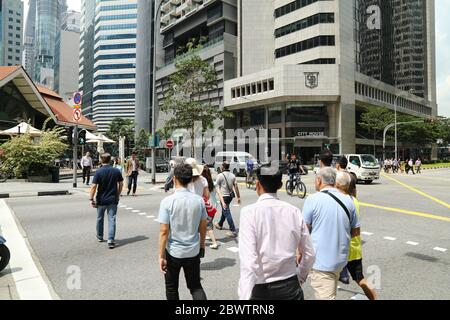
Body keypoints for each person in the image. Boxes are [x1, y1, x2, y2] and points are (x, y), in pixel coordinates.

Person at [238, 165, 315, 300]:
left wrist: (244, 296)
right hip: (290, 284)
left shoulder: (249, 213)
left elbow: (248, 262)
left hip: (262, 287)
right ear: (280, 185)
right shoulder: (294, 211)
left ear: (258, 184)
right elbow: (309, 253)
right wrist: (300, 278)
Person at [302, 167, 360, 300]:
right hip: (340, 260)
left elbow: (303, 231)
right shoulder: (349, 201)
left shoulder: (313, 199)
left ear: (318, 180)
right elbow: (356, 231)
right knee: (330, 292)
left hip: (321, 262)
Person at [158, 164, 208, 300]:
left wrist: (161, 255)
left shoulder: (167, 202)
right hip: (193, 250)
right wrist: (202, 245)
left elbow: (164, 231)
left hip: (173, 252)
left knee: (172, 287)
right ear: (191, 180)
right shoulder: (199, 201)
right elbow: (203, 226)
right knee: (196, 286)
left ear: (174, 179)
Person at [335, 171, 378, 300]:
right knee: (360, 279)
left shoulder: (341, 202)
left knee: (329, 279)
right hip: (354, 249)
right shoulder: (354, 201)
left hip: (341, 248)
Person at [89, 153, 124, 249]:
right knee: (112, 219)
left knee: (100, 218)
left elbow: (93, 186)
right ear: (110, 160)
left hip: (101, 200)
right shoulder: (116, 171)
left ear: (101, 160)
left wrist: (91, 199)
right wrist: (118, 194)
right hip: (112, 199)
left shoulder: (98, 172)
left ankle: (100, 236)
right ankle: (111, 240)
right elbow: (121, 184)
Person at [214, 162, 241, 238]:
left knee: (226, 211)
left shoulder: (220, 175)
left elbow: (217, 187)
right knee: (225, 210)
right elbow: (236, 187)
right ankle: (220, 224)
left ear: (223, 167)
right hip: (230, 196)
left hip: (224, 196)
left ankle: (233, 230)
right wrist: (238, 197)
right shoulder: (233, 175)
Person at [202, 166, 220, 250]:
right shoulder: (213, 183)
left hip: (207, 206)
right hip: (213, 205)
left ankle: (214, 242)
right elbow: (217, 194)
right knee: (205, 222)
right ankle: (205, 236)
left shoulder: (203, 184)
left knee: (208, 225)